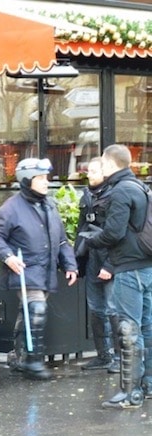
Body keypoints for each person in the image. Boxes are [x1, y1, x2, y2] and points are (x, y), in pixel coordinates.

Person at [0, 158, 78, 381]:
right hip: (25, 270)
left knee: (27, 313)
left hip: (45, 271)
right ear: (27, 180)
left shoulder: (49, 205)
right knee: (35, 310)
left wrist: (70, 265)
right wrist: (8, 257)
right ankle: (33, 362)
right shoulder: (10, 208)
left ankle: (19, 357)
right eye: (41, 178)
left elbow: (62, 241)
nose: (46, 183)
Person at [81, 144, 152, 409]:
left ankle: (130, 391)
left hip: (128, 267)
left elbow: (114, 233)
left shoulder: (120, 191)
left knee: (129, 328)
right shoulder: (140, 187)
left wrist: (90, 241)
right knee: (146, 326)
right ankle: (148, 384)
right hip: (146, 265)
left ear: (110, 164)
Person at [75, 157, 120, 373]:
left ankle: (120, 358)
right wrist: (77, 261)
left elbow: (121, 234)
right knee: (96, 308)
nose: (89, 175)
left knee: (113, 308)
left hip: (111, 257)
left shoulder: (116, 195)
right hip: (92, 255)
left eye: (94, 171)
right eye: (88, 171)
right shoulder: (87, 195)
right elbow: (81, 228)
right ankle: (103, 355)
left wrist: (110, 265)